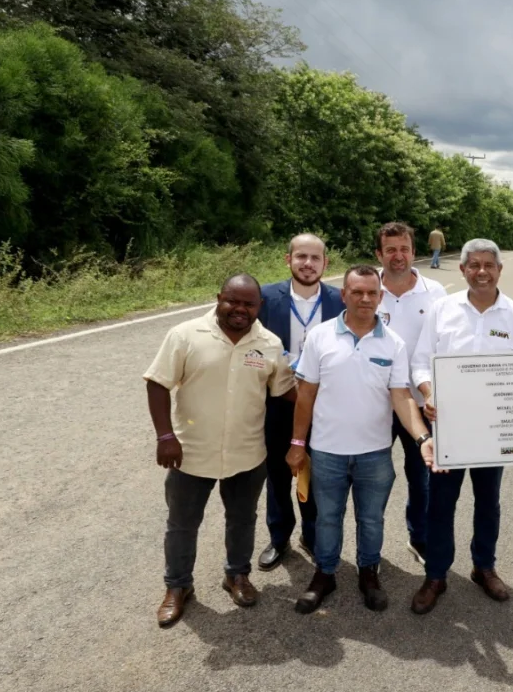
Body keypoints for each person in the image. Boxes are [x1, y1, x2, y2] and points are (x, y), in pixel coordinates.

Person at [143, 274, 297, 628]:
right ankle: (178, 586)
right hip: (191, 452)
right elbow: (157, 383)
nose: (240, 309)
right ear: (218, 298)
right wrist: (165, 435)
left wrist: (332, 398)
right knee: (182, 524)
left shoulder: (270, 344)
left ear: (260, 306)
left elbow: (286, 391)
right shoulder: (185, 335)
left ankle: (237, 575)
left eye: (249, 304)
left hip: (247, 452)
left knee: (242, 519)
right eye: (233, 301)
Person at [287, 265, 437, 614]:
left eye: (372, 293)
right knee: (327, 517)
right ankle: (325, 573)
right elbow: (306, 394)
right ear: (344, 295)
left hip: (374, 453)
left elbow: (401, 396)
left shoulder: (394, 343)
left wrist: (422, 438)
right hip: (327, 451)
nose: (365, 299)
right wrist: (297, 444)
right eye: (357, 292)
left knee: (371, 519)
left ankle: (369, 572)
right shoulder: (320, 336)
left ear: (380, 297)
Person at [409, 238, 513, 614]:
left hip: (494, 432)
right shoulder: (442, 310)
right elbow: (420, 362)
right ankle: (436, 574)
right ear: (463, 269)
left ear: (499, 270)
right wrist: (429, 393)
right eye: (474, 265)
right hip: (449, 427)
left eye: (489, 265)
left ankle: (484, 567)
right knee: (440, 503)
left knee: (488, 502)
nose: (482, 272)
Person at [255, 234, 344, 572]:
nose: (308, 264)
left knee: (319, 474)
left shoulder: (341, 299)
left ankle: (312, 534)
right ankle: (279, 538)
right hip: (278, 401)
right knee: (277, 474)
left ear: (325, 263)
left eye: (315, 258)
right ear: (288, 259)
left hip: (324, 403)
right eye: (301, 256)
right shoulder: (265, 298)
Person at [375, 222, 446, 565]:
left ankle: (419, 537)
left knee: (422, 478)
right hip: (374, 405)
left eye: (404, 249)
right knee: (372, 479)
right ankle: (370, 546)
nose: (398, 256)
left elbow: (445, 346)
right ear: (379, 254)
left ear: (414, 252)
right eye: (390, 250)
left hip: (420, 404)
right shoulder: (366, 288)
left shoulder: (436, 293)